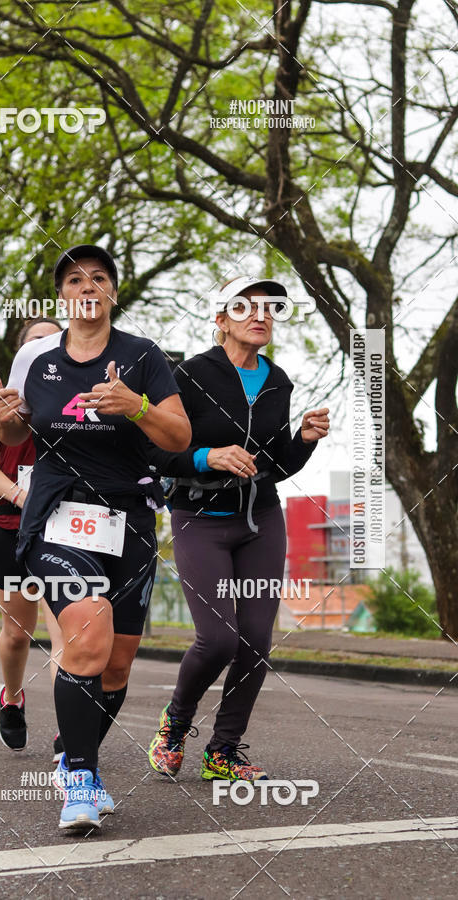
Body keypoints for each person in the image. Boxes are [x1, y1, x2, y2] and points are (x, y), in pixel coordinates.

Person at [0, 244, 191, 830]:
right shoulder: (35, 357)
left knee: (117, 666)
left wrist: (138, 406)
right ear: (62, 295)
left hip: (128, 516)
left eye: (99, 278)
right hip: (57, 511)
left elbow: (177, 436)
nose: (87, 287)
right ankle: (78, 779)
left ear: (113, 293)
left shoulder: (144, 356)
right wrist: (7, 420)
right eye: (75, 279)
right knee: (86, 630)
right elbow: (19, 427)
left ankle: (78, 757)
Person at [147, 275, 330, 782]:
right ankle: (175, 723)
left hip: (261, 520)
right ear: (220, 319)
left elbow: (273, 465)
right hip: (200, 519)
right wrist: (208, 456)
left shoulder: (278, 381)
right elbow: (155, 451)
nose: (261, 315)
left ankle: (223, 751)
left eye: (269, 308)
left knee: (254, 642)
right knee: (218, 639)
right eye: (245, 307)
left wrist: (305, 440)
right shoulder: (185, 375)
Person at [0, 317, 64, 754]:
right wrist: (22, 497)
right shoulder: (3, 400)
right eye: (36, 342)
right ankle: (11, 697)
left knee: (67, 633)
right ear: (22, 354)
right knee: (18, 633)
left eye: (54, 340)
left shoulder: (82, 397)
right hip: (12, 525)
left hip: (67, 527)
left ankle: (71, 730)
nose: (46, 347)